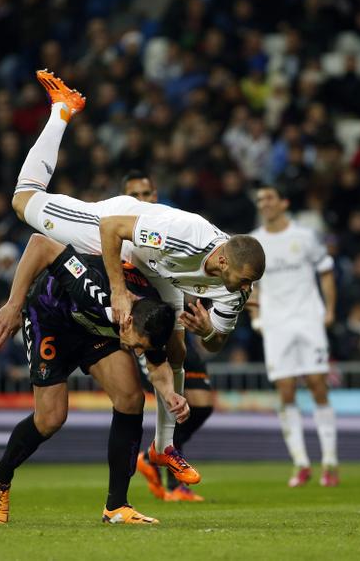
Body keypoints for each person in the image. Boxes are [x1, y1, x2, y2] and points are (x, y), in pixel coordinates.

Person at [10, 70, 265, 484]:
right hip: (119, 229)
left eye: (248, 284)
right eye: (242, 281)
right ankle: (62, 109)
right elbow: (113, 230)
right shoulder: (186, 234)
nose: (245, 290)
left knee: (177, 348)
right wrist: (119, 292)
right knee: (23, 202)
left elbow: (217, 343)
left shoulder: (234, 285)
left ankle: (165, 448)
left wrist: (206, 331)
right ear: (222, 263)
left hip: (157, 267)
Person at [0, 233, 189, 525]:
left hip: (93, 330)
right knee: (51, 418)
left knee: (131, 399)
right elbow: (40, 244)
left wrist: (170, 395)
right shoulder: (94, 289)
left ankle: (117, 507)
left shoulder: (151, 315)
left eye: (141, 347)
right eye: (137, 343)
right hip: (50, 318)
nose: (138, 351)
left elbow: (157, 363)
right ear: (127, 320)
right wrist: (14, 304)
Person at [122, 172, 215, 502]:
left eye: (147, 193)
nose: (142, 199)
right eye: (135, 194)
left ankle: (154, 456)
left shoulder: (169, 226)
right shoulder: (121, 234)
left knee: (202, 403)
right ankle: (172, 478)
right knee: (172, 396)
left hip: (177, 321)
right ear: (124, 197)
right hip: (147, 326)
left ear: (155, 194)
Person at [250, 184, 339, 487]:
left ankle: (329, 461)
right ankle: (301, 463)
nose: (264, 203)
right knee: (286, 390)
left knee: (317, 385)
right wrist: (256, 317)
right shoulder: (255, 242)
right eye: (260, 200)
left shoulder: (304, 237)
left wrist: (329, 311)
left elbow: (326, 270)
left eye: (269, 198)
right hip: (275, 324)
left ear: (284, 202)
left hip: (307, 319)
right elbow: (250, 285)